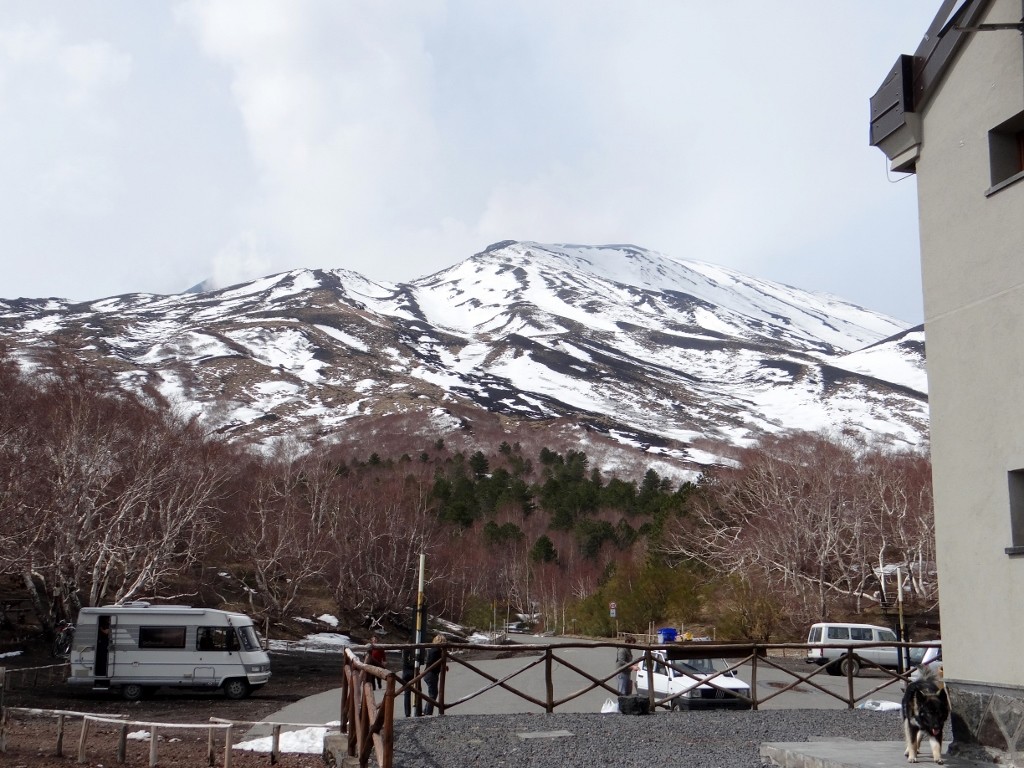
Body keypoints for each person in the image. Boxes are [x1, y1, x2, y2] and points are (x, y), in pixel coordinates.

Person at [423, 634, 447, 715]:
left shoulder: (432, 649)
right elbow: (433, 663)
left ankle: (426, 710)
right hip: (431, 674)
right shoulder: (437, 651)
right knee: (433, 694)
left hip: (428, 673)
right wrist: (441, 666)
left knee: (432, 694)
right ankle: (428, 712)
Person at [400, 647, 416, 717]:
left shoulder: (404, 651)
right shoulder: (413, 650)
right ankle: (417, 710)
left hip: (405, 672)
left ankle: (407, 712)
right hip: (412, 672)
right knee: (417, 691)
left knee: (407, 693)